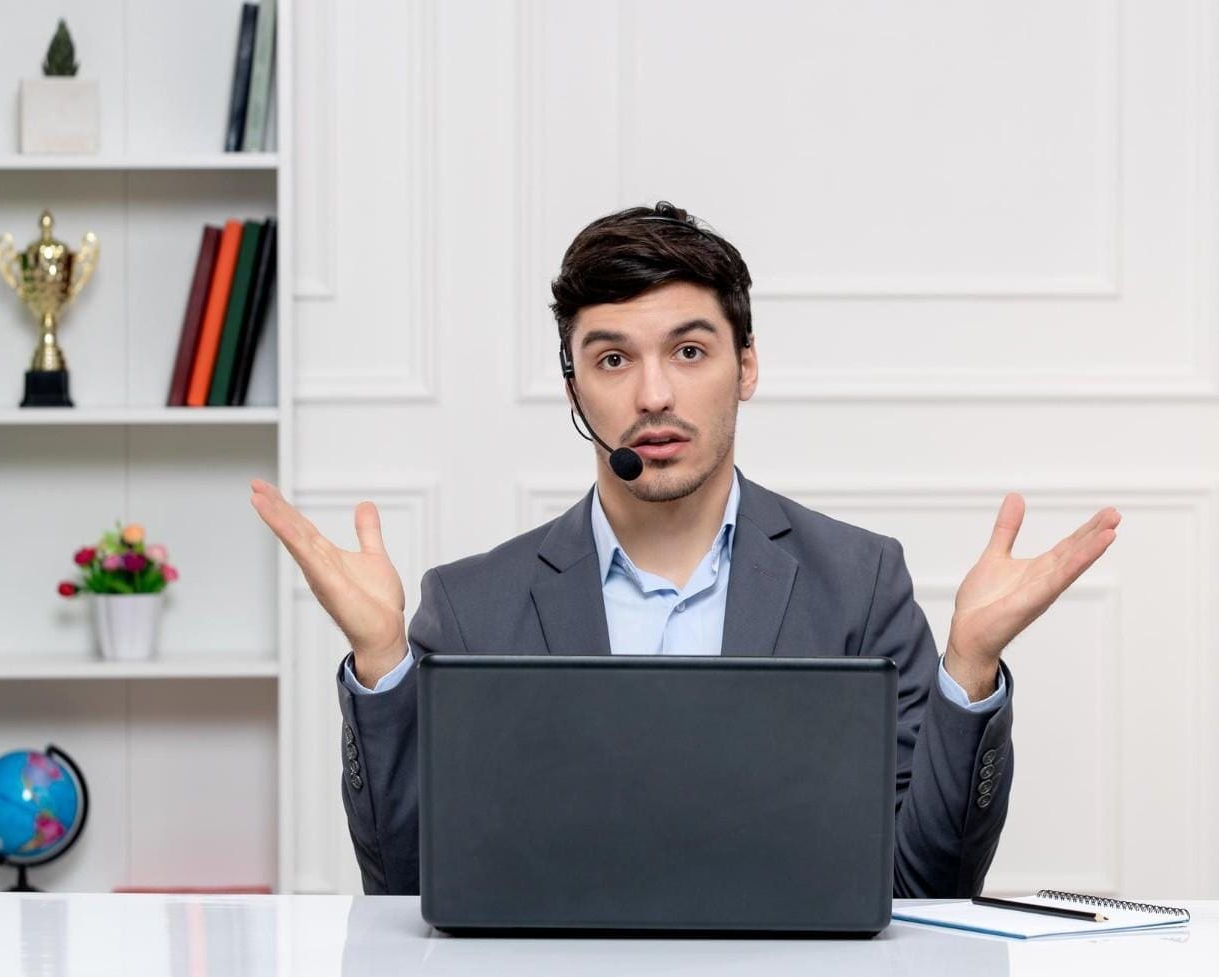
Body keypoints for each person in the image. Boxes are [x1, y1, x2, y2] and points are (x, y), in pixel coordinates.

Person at [249, 201, 1121, 898]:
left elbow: (925, 884)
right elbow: (407, 887)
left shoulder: (858, 583)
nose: (654, 393)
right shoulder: (473, 604)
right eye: (613, 359)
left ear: (745, 367)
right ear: (574, 387)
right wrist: (381, 664)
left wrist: (968, 665)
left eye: (689, 350)